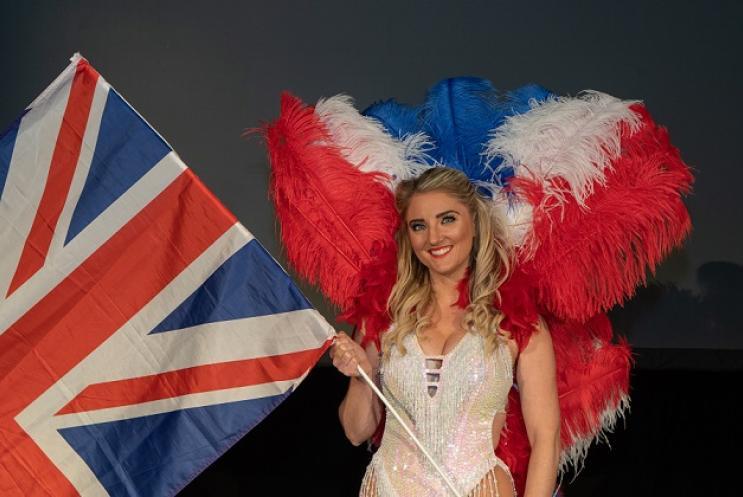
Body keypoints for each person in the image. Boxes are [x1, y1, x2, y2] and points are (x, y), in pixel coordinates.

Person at [329, 167, 561, 497]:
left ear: (474, 223)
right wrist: (360, 374)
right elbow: (355, 431)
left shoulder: (517, 324)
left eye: (447, 219)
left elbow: (546, 437)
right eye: (419, 226)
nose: (434, 237)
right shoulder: (383, 317)